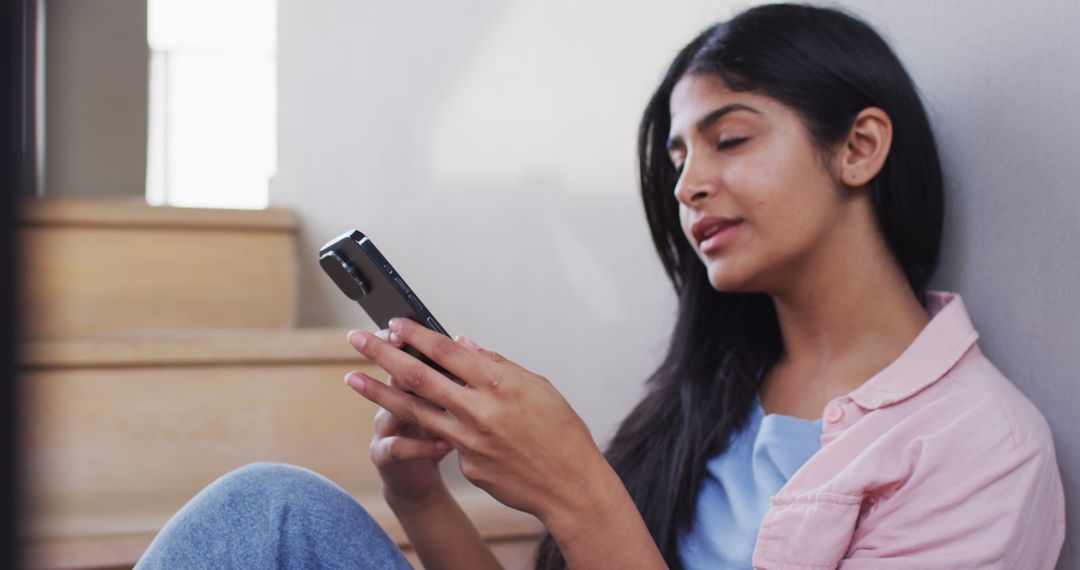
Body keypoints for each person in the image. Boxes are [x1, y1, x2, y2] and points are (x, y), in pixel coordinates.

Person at [136, 4, 1065, 569]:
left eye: (730, 138)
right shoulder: (717, 394)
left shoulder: (981, 452)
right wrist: (422, 494)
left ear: (859, 147)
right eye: (676, 155)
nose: (688, 183)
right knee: (274, 511)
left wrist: (580, 492)